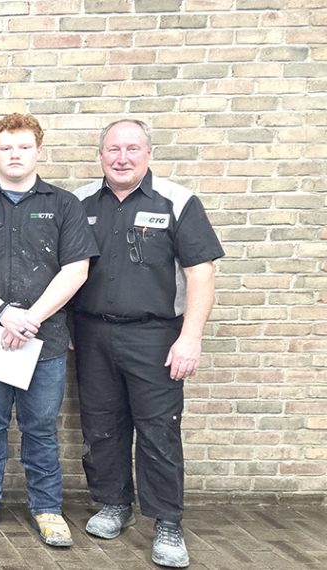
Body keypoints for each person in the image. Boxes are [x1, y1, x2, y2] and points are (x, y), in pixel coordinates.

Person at [72, 119, 224, 568]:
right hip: (92, 334)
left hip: (156, 337)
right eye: (113, 149)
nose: (122, 157)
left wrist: (190, 338)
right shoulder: (78, 202)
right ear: (101, 155)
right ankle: (114, 504)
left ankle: (167, 523)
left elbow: (202, 274)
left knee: (158, 431)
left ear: (149, 154)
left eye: (132, 149)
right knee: (101, 426)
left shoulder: (178, 202)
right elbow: (64, 270)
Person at [0, 114, 98, 547]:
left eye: (24, 147)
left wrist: (29, 318)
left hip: (44, 341)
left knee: (41, 427)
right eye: (7, 147)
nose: (15, 155)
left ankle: (48, 509)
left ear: (38, 151)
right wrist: (3, 312)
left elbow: (76, 269)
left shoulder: (65, 205)